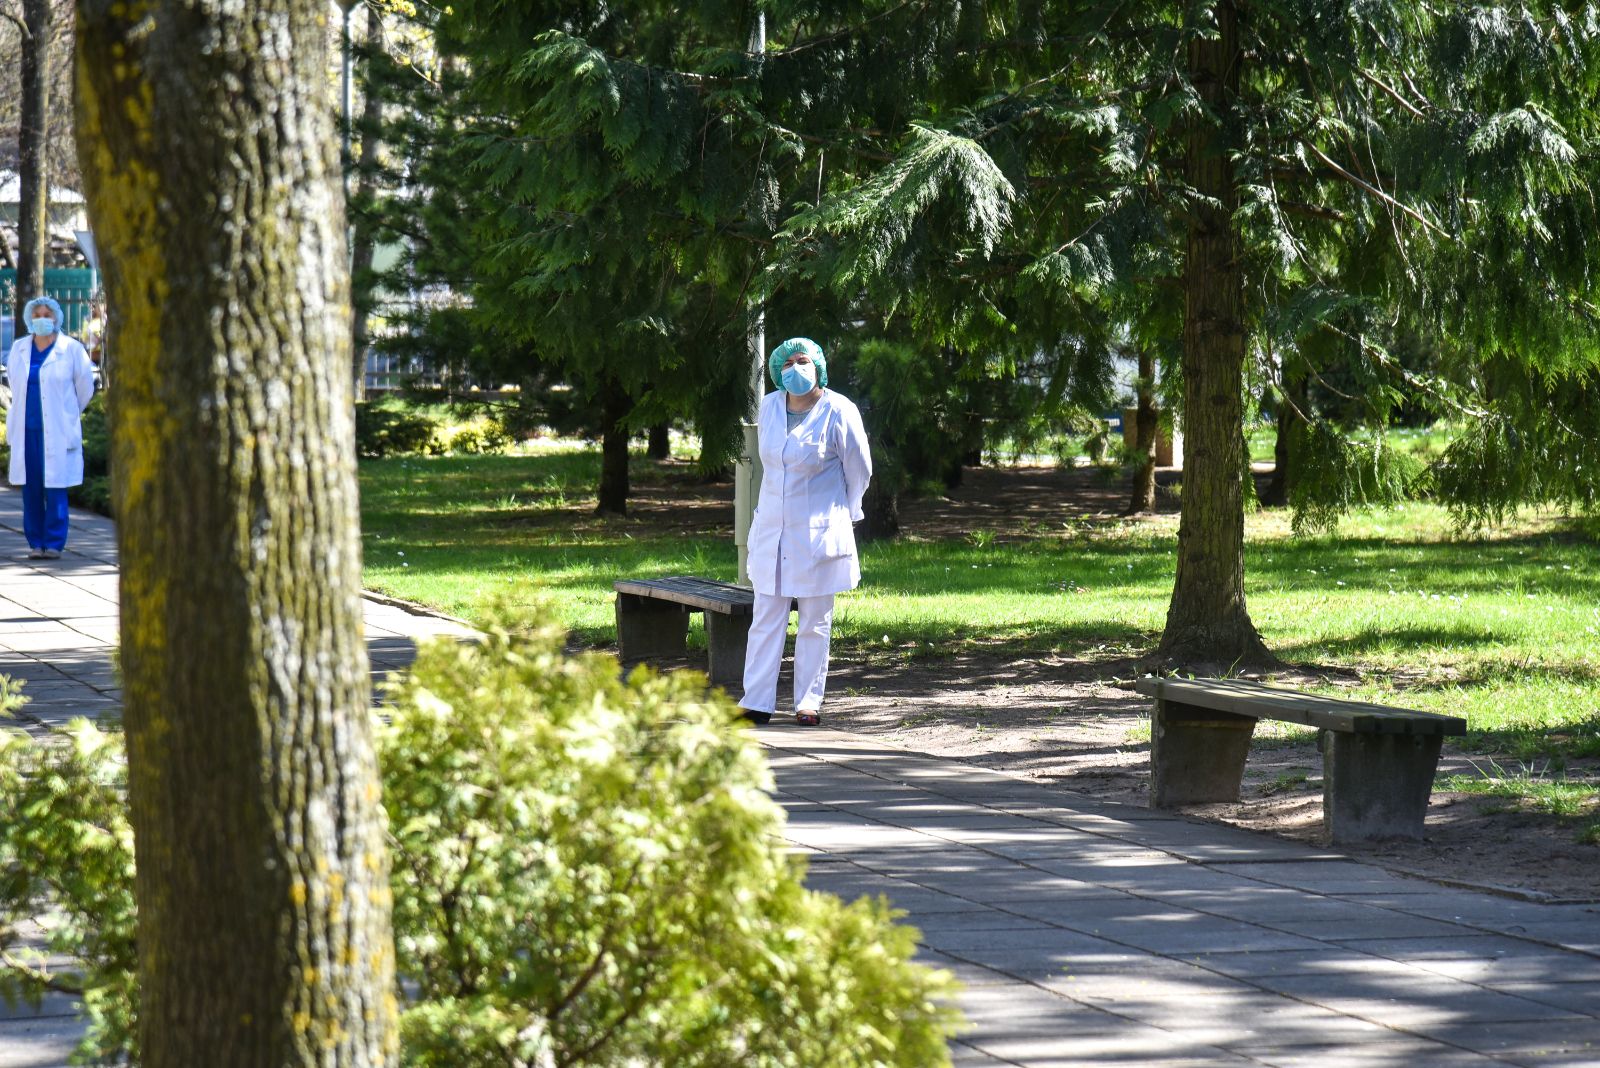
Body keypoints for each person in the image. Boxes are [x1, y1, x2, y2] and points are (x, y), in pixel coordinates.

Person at [738, 337, 872, 727]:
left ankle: (808, 703)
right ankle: (756, 702)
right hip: (772, 530)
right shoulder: (769, 406)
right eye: (786, 363)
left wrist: (846, 511)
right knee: (766, 617)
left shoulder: (839, 410)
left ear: (818, 367)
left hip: (819, 532)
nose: (794, 368)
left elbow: (859, 469)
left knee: (814, 620)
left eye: (802, 361)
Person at [5, 296, 96, 560]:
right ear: (29, 318)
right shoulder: (19, 348)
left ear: (56, 318)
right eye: (37, 315)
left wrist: (67, 414)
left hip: (57, 430)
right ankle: (35, 542)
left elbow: (85, 388)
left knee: (56, 487)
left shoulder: (71, 349)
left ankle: (54, 543)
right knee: (31, 488)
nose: (42, 319)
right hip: (27, 430)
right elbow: (14, 383)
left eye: (47, 314)